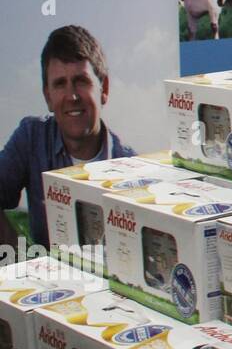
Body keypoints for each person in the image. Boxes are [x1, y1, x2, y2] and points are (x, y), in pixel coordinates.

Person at [0, 26, 134, 250]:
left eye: (81, 81)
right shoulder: (31, 138)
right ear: (48, 97)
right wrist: (18, 261)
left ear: (104, 89)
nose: (71, 96)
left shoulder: (131, 166)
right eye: (60, 84)